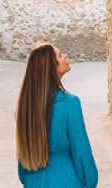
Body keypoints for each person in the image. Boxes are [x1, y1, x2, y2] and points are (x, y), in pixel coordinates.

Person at [16, 43, 98, 188]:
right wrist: (91, 180)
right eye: (60, 55)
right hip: (67, 181)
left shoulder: (25, 106)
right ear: (51, 67)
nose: (65, 56)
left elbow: (22, 159)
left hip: (33, 181)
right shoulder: (69, 103)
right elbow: (81, 151)